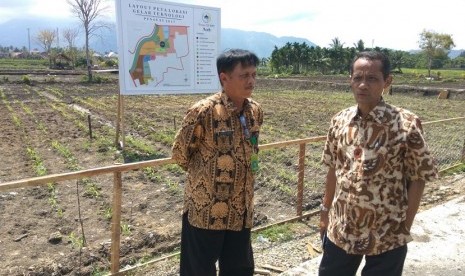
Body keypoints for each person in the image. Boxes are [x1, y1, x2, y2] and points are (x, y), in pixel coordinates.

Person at [318, 51, 437, 276]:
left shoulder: (405, 125)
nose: (363, 85)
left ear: (387, 81)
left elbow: (418, 179)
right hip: (342, 228)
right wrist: (325, 212)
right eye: (357, 78)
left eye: (372, 78)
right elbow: (333, 168)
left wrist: (405, 227)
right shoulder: (339, 121)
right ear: (350, 80)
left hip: (387, 233)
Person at [172, 49, 263, 276]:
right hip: (206, 211)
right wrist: (206, 178)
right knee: (198, 270)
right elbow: (180, 154)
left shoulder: (255, 111)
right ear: (224, 78)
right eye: (244, 75)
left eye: (253, 74)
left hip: (241, 209)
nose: (251, 80)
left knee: (239, 268)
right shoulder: (203, 112)